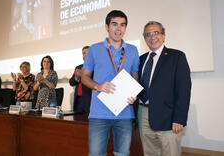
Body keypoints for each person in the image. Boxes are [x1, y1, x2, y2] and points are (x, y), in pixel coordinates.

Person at [81, 10, 139, 156]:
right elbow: (84, 77)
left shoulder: (132, 50)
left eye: (122, 25)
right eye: (114, 24)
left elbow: (135, 76)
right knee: (96, 154)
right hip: (99, 113)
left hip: (124, 113)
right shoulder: (94, 49)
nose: (118, 28)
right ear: (107, 26)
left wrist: (133, 93)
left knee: (123, 153)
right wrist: (98, 86)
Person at [137, 21, 191, 156]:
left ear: (163, 35)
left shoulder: (177, 56)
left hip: (168, 116)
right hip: (143, 113)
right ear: (144, 38)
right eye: (148, 34)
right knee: (150, 153)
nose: (152, 37)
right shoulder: (141, 59)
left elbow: (184, 89)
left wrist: (180, 118)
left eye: (156, 32)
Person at [69, 46, 92, 113]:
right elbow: (71, 82)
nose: (85, 55)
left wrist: (83, 75)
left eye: (87, 53)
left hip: (89, 100)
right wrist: (76, 77)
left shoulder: (96, 67)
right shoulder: (78, 67)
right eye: (83, 53)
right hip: (78, 100)